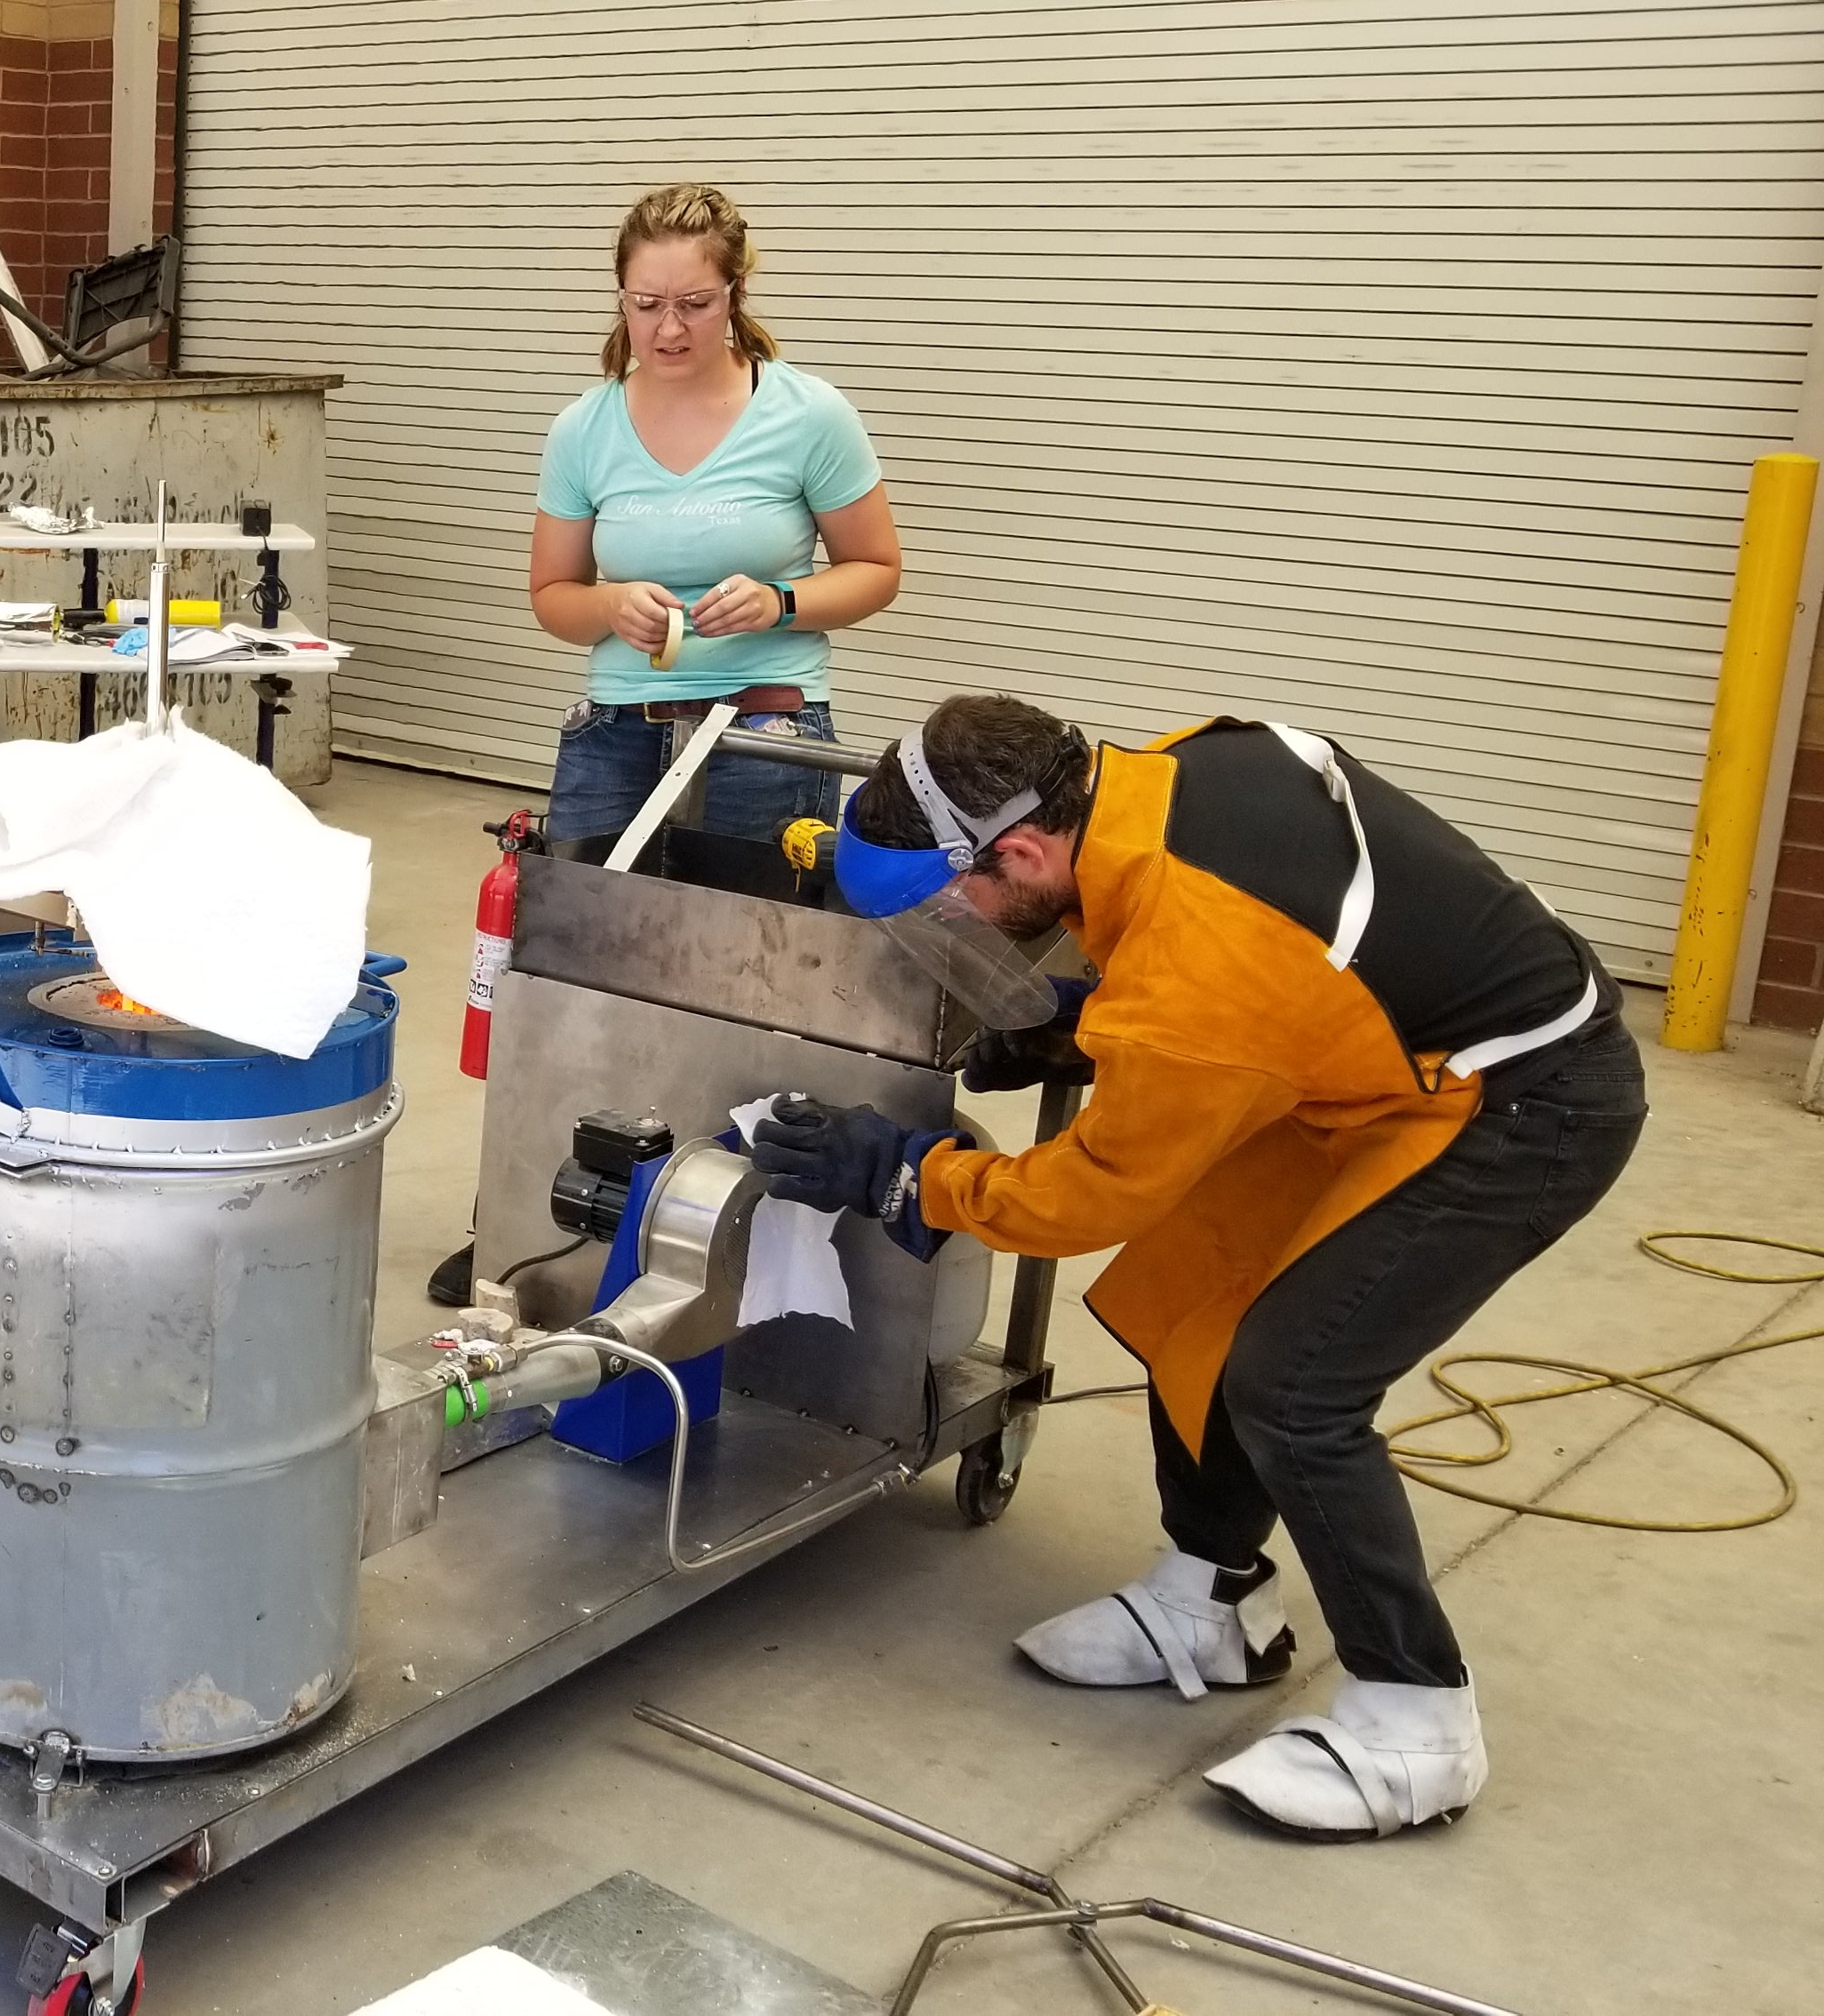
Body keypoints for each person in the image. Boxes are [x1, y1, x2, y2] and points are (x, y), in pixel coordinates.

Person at [748, 695, 1644, 1842]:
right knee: (1196, 1288)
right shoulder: (1155, 773)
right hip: (1369, 1061)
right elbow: (1245, 960)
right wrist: (1082, 1006)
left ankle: (1418, 1721)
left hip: (1523, 1103)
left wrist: (908, 1179)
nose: (960, 938)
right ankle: (1210, 1601)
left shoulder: (1193, 980)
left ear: (1018, 849)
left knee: (1298, 1384)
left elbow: (1087, 1197)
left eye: (956, 907)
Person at [528, 184, 904, 854]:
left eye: (694, 305)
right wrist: (612, 606)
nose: (669, 329)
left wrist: (779, 601)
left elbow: (875, 570)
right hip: (617, 729)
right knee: (581, 941)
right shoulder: (583, 429)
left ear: (734, 293)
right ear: (621, 298)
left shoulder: (809, 415)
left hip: (766, 723)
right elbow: (553, 596)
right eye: (646, 306)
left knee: (749, 948)